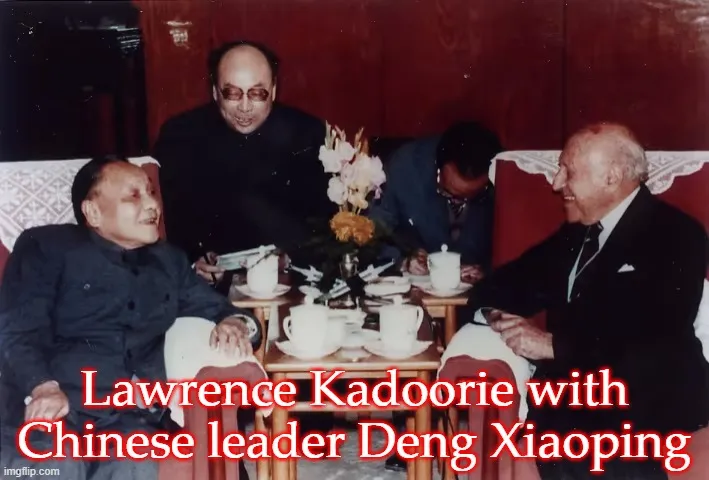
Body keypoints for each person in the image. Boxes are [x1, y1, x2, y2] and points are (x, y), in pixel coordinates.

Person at [465, 123, 709, 479]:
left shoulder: (677, 234)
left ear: (611, 177)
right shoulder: (576, 235)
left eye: (568, 171)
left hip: (646, 399)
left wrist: (554, 345)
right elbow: (501, 286)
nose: (556, 184)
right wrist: (498, 317)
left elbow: (655, 332)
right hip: (576, 400)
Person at [0, 157, 262, 480]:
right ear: (93, 212)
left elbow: (220, 308)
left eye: (151, 192)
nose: (153, 204)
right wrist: (42, 386)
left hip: (130, 418)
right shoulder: (47, 247)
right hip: (56, 405)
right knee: (57, 464)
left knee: (136, 463)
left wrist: (236, 323)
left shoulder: (169, 261)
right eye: (134, 196)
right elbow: (18, 329)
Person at [153, 40, 334, 285]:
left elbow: (323, 222)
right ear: (215, 92)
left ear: (274, 90)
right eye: (232, 94)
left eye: (257, 94)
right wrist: (194, 260)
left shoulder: (307, 133)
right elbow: (170, 221)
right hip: (209, 284)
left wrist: (291, 258)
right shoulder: (181, 135)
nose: (245, 107)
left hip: (290, 278)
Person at [369, 121, 501, 282]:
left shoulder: (505, 175)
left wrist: (487, 271)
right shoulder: (406, 166)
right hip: (415, 284)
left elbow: (513, 254)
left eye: (470, 196)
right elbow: (372, 230)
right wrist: (403, 260)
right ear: (437, 165)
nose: (457, 203)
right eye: (447, 192)